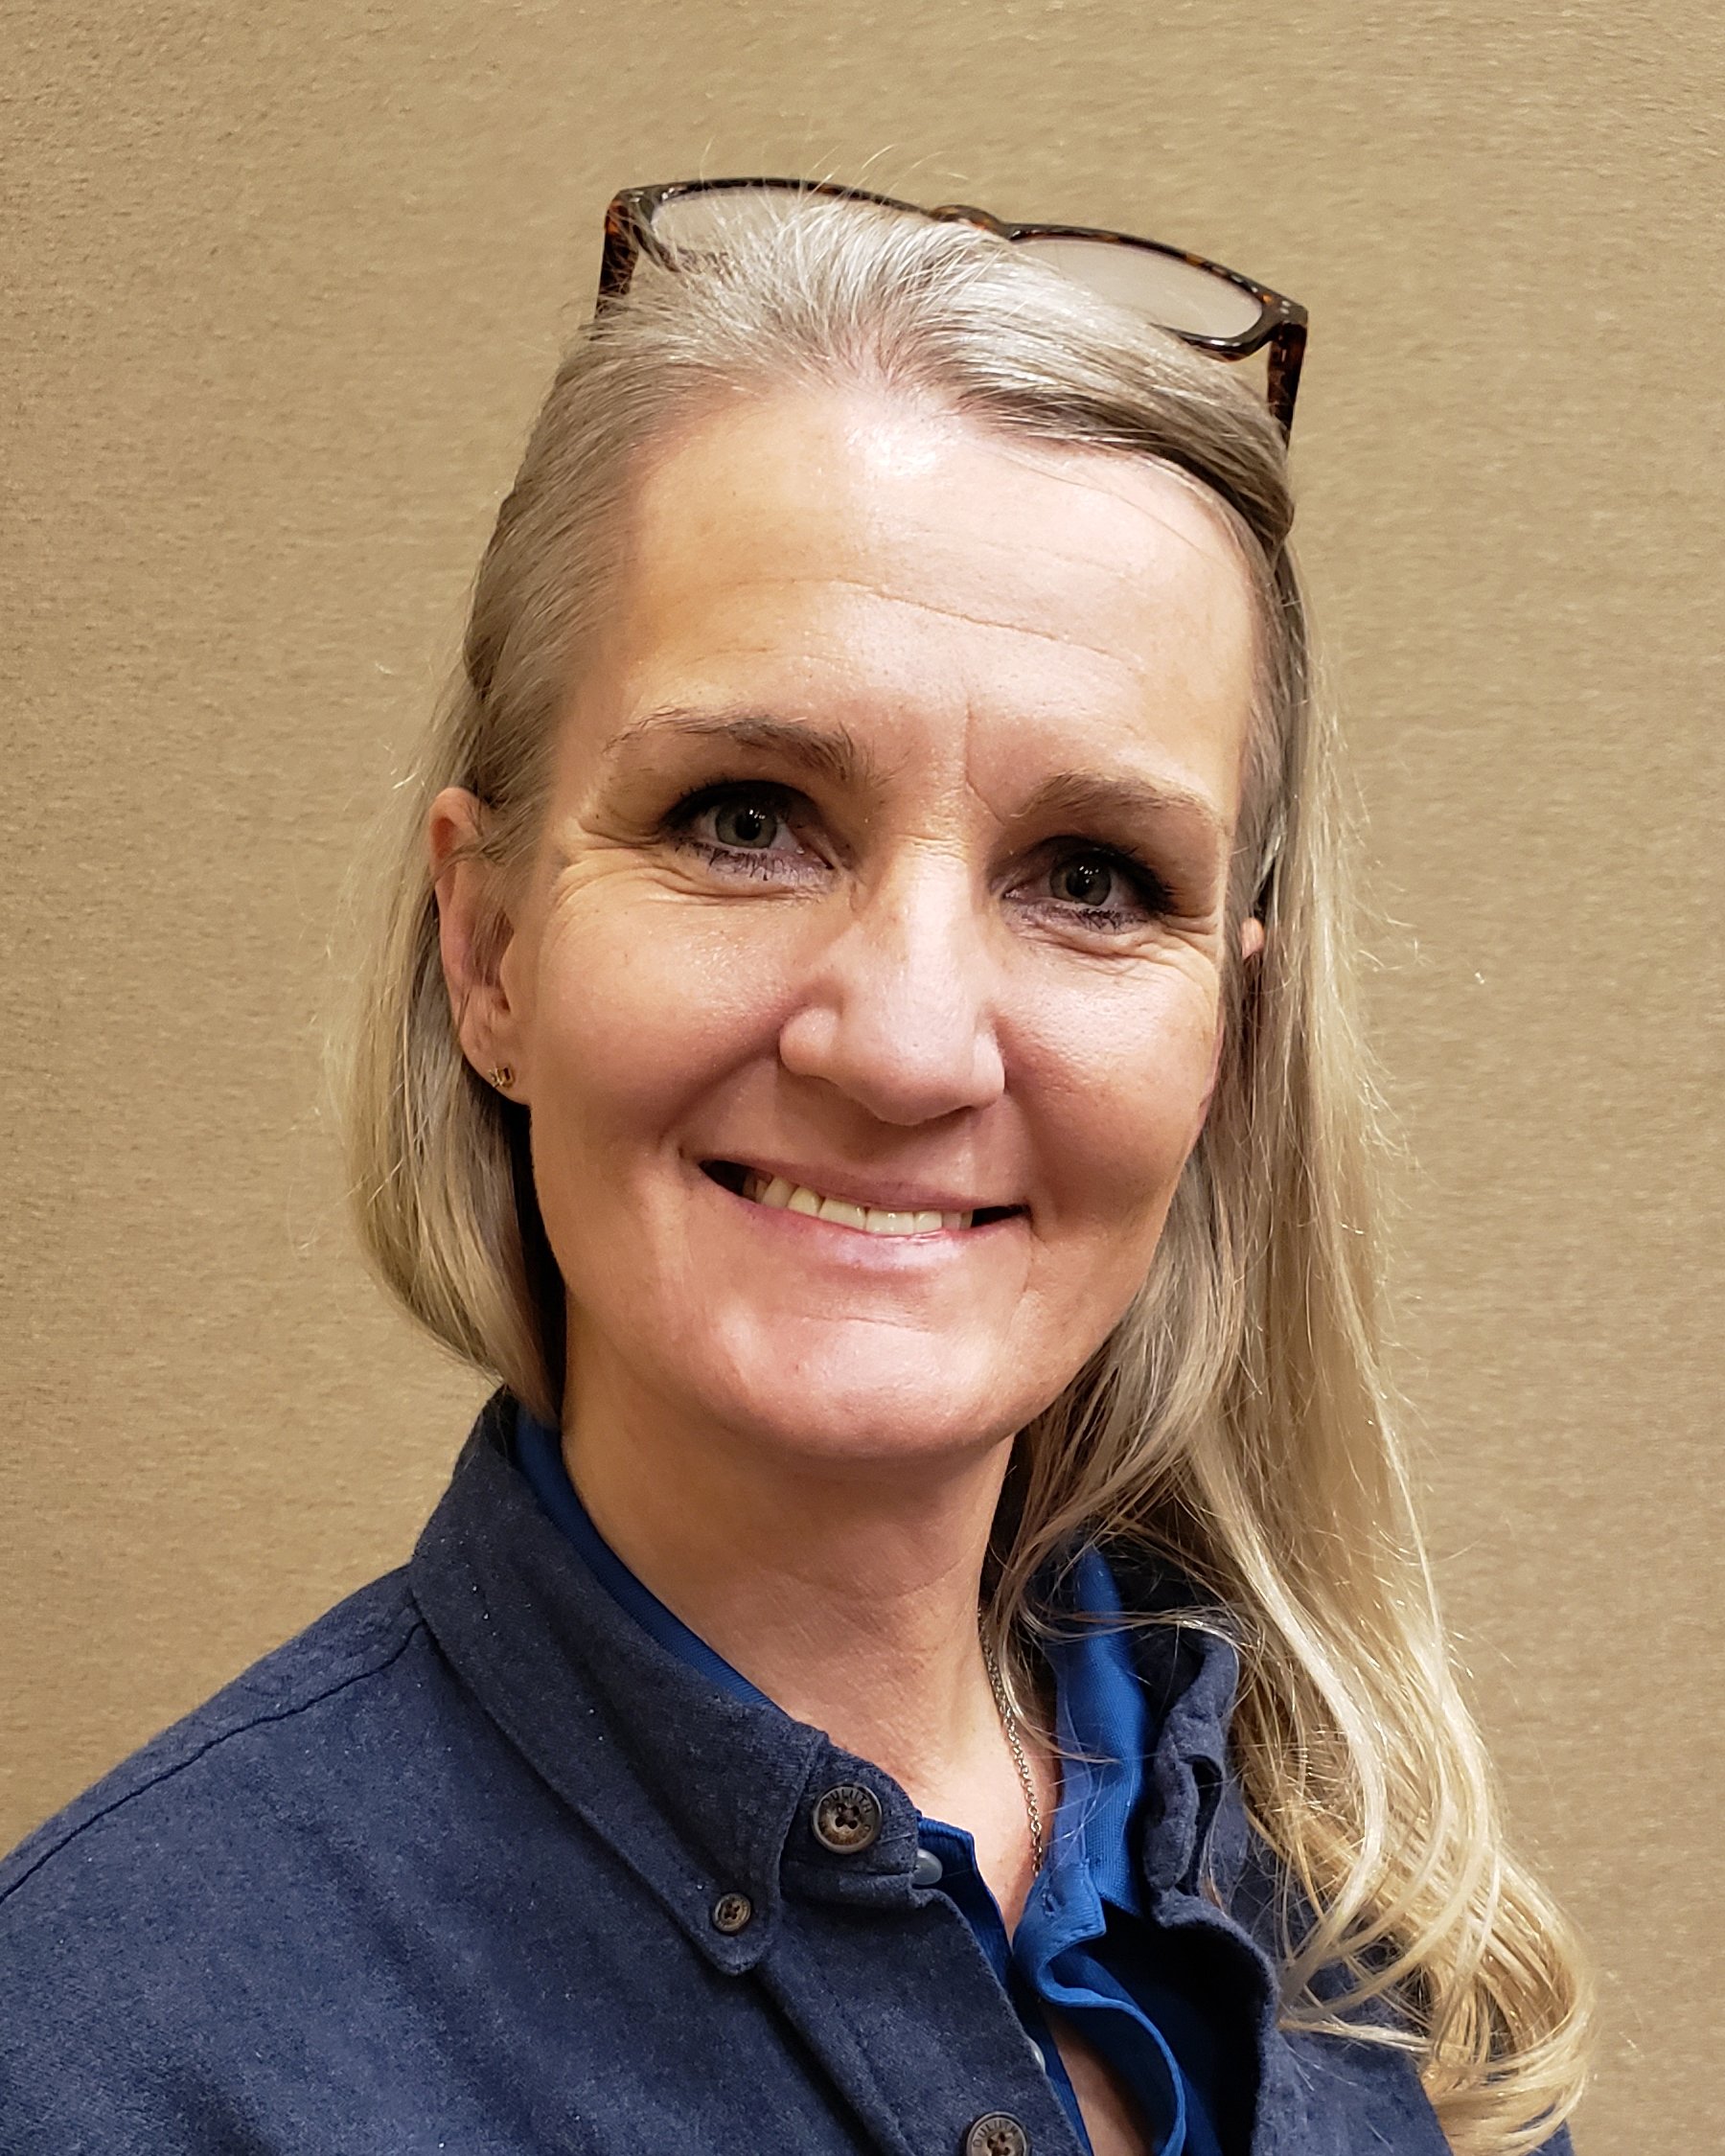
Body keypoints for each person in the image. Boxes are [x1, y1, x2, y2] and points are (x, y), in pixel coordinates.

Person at [0, 180, 1590, 2156]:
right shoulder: (98, 2061)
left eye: (1093, 878)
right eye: (746, 819)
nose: (908, 1043)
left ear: (1225, 1042)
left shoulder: (1377, 1946)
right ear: (489, 949)